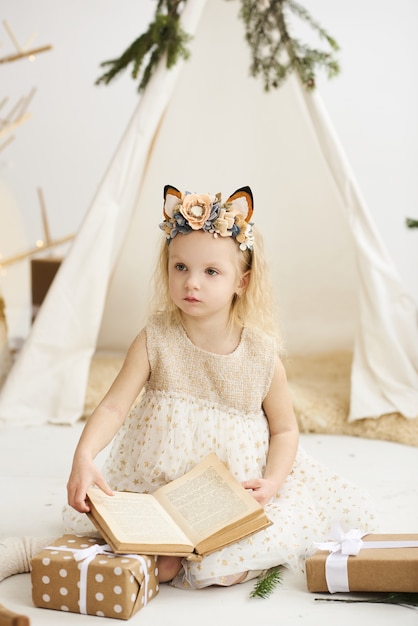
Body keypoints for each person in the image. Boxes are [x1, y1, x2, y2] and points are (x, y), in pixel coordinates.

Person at [0, 185, 376, 589]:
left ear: (242, 282)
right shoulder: (156, 338)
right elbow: (113, 407)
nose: (191, 282)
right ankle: (35, 551)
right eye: (180, 267)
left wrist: (271, 482)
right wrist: (85, 454)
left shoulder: (262, 357)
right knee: (151, 557)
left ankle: (182, 555)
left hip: (229, 494)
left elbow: (285, 430)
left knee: (221, 568)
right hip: (158, 484)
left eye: (211, 271)